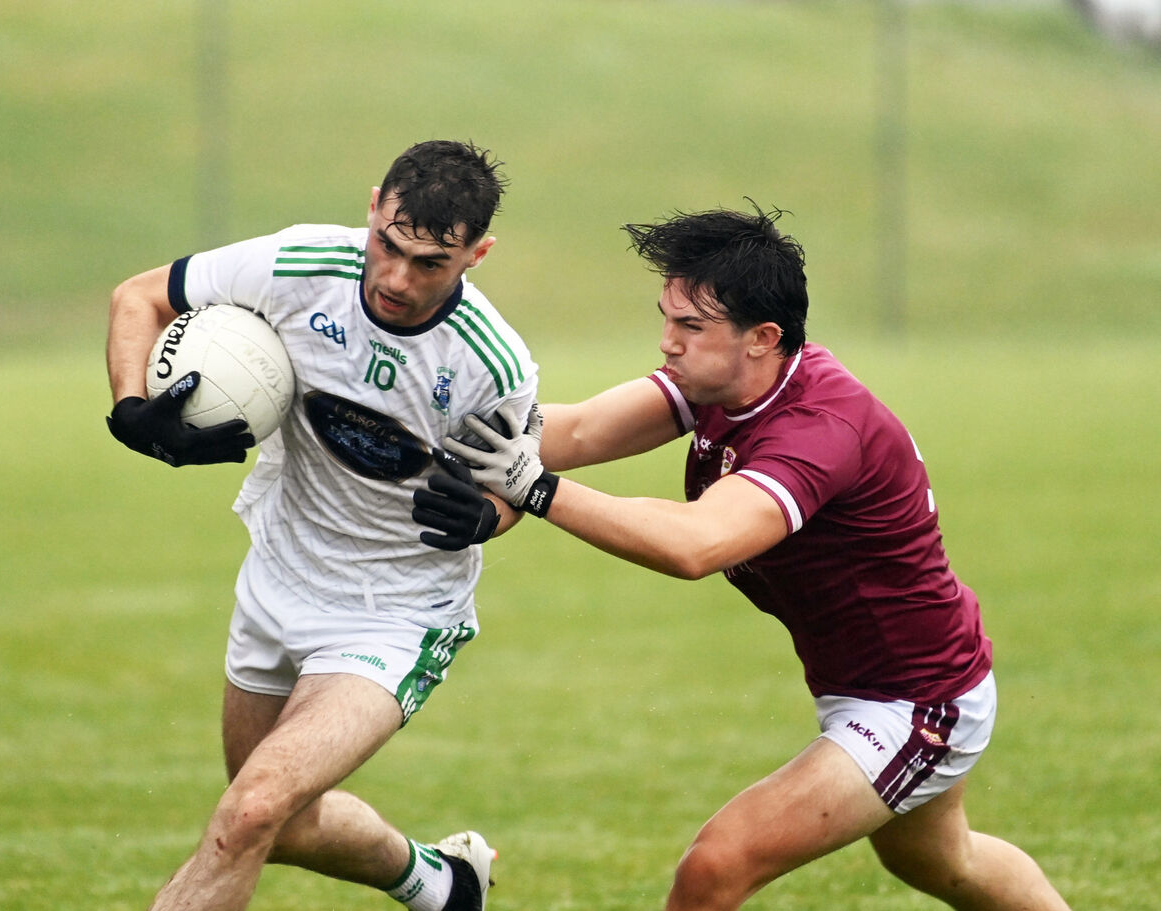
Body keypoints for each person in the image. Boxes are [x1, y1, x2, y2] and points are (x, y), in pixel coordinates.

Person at [435, 203, 1072, 910]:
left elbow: (696, 543)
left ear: (762, 337)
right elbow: (579, 430)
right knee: (946, 864)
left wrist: (535, 488)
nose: (668, 342)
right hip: (878, 678)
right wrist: (445, 428)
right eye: (667, 318)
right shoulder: (721, 382)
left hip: (917, 700)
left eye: (690, 326)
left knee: (717, 863)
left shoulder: (818, 429)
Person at [105, 140, 537, 911]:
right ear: (373, 207)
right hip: (277, 576)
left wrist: (488, 515)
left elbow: (512, 488)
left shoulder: (493, 366)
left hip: (394, 611)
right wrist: (134, 410)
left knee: (251, 811)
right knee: (286, 821)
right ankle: (443, 883)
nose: (398, 277)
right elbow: (138, 296)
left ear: (478, 253)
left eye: (431, 263)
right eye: (388, 244)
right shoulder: (298, 262)